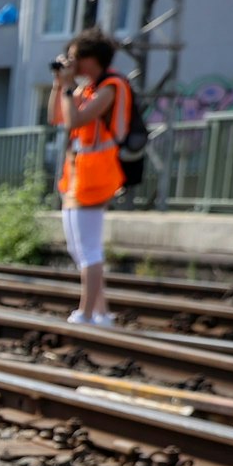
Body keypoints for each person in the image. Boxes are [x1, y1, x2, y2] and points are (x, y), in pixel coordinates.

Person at [53, 28, 133, 326]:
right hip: (78, 174)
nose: (70, 64)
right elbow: (58, 118)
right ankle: (101, 312)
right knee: (78, 247)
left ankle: (86, 313)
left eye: (74, 58)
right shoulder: (86, 90)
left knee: (88, 247)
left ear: (91, 60)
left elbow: (75, 119)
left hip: (96, 175)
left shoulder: (111, 87)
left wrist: (67, 87)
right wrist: (59, 85)